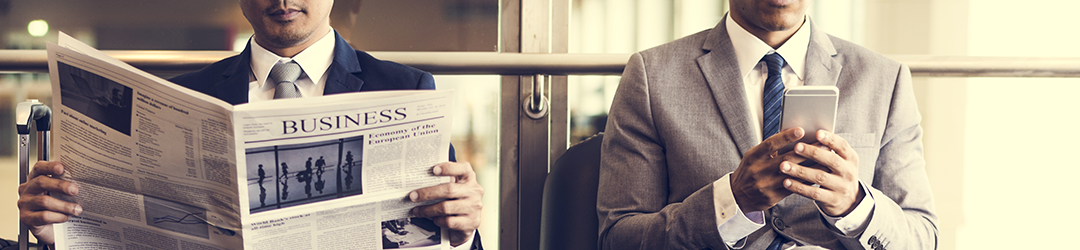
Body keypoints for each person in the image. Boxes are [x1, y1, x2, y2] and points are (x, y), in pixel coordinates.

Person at [16, 0, 484, 249]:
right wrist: (65, 234)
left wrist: (460, 236)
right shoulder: (183, 96)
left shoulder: (406, 87)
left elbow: (443, 234)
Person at [597, 0, 937, 249]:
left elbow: (922, 238)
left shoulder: (884, 80)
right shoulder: (651, 76)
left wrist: (855, 205)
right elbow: (618, 237)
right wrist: (730, 201)